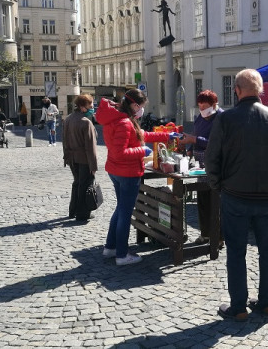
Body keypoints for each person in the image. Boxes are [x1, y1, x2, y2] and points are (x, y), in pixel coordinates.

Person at [205, 69, 268, 321]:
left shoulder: (226, 119)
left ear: (237, 90)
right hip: (267, 197)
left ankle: (239, 307)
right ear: (261, 91)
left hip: (235, 195)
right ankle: (267, 303)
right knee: (267, 251)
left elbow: (212, 158)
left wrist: (217, 186)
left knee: (236, 252)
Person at [95, 89, 173, 265]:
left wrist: (167, 135)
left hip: (116, 171)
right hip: (127, 172)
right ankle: (122, 255)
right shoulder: (124, 122)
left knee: (120, 209)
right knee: (125, 213)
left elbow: (141, 135)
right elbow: (120, 152)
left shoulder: (119, 118)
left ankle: (111, 247)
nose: (142, 110)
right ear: (135, 105)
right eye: (142, 106)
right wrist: (143, 151)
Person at [178, 89, 224, 245]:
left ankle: (218, 237)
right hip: (200, 165)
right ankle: (205, 234)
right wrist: (190, 148)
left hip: (216, 166)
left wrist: (195, 139)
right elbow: (195, 133)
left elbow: (218, 143)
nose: (202, 110)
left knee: (216, 202)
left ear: (213, 104)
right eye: (200, 107)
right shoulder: (201, 117)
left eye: (205, 107)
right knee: (203, 200)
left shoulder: (221, 118)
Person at [62, 94, 99, 222]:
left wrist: (66, 157)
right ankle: (82, 213)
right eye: (90, 105)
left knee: (77, 183)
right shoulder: (85, 122)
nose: (92, 107)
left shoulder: (68, 119)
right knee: (84, 185)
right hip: (84, 159)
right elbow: (90, 147)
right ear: (83, 107)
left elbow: (64, 140)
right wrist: (93, 166)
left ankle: (73, 210)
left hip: (71, 157)